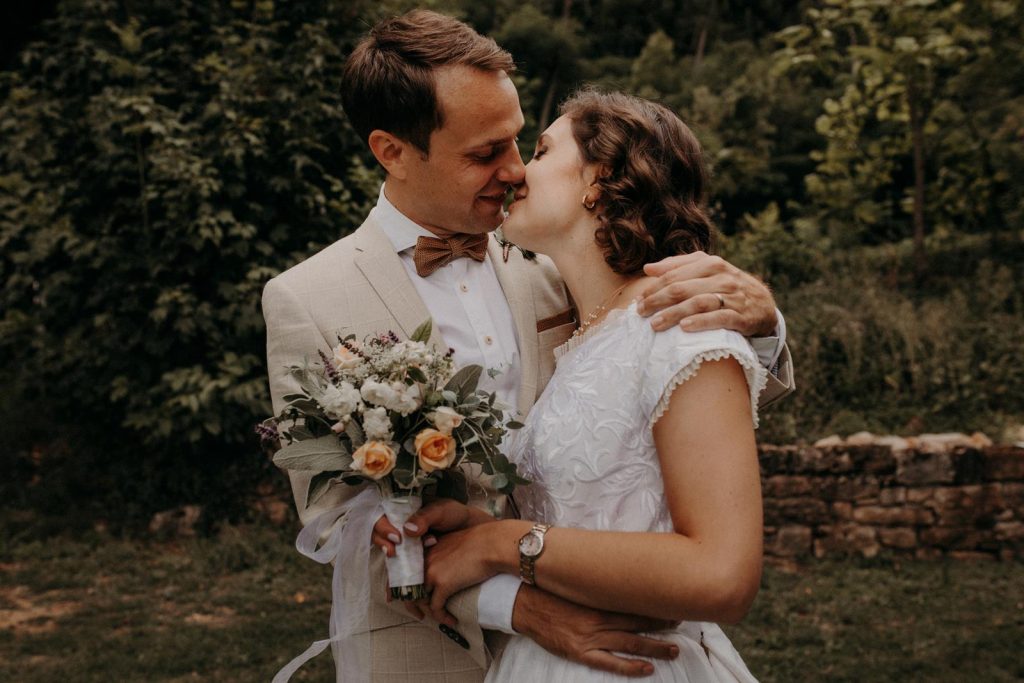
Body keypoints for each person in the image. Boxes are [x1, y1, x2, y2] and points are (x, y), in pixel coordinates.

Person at [263, 10, 792, 682]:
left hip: (624, 639)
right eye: (485, 153)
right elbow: (345, 528)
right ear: (392, 150)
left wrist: (761, 319)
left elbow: (686, 381)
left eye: (522, 144)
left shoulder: (560, 273)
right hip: (424, 655)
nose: (513, 170)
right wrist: (523, 605)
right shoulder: (307, 300)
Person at [401, 89, 767, 681]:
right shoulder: (581, 336)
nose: (517, 169)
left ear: (599, 179)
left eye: (541, 151)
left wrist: (503, 543)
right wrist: (481, 528)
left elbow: (722, 576)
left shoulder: (680, 331)